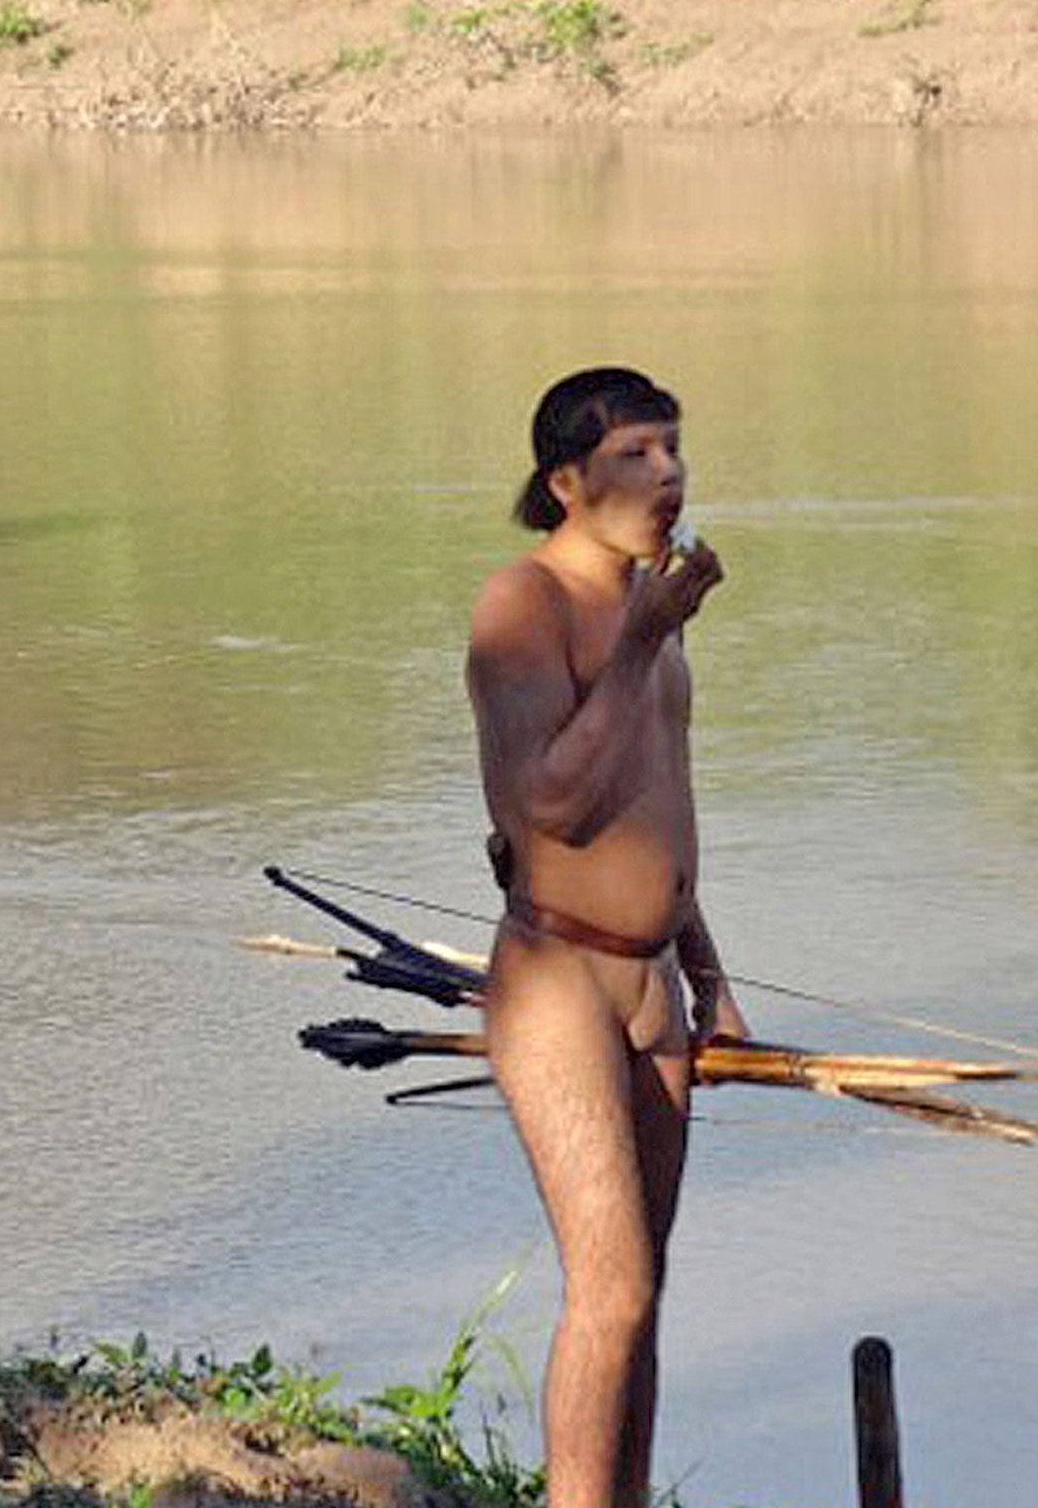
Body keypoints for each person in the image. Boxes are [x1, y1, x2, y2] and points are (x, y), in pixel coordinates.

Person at [464, 367, 747, 1508]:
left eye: (673, 450)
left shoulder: (650, 612)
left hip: (652, 987)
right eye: (636, 454)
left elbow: (653, 814)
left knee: (646, 1293)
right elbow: (547, 809)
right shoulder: (521, 605)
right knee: (611, 1288)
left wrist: (708, 980)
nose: (668, 475)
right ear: (566, 482)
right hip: (556, 977)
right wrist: (636, 642)